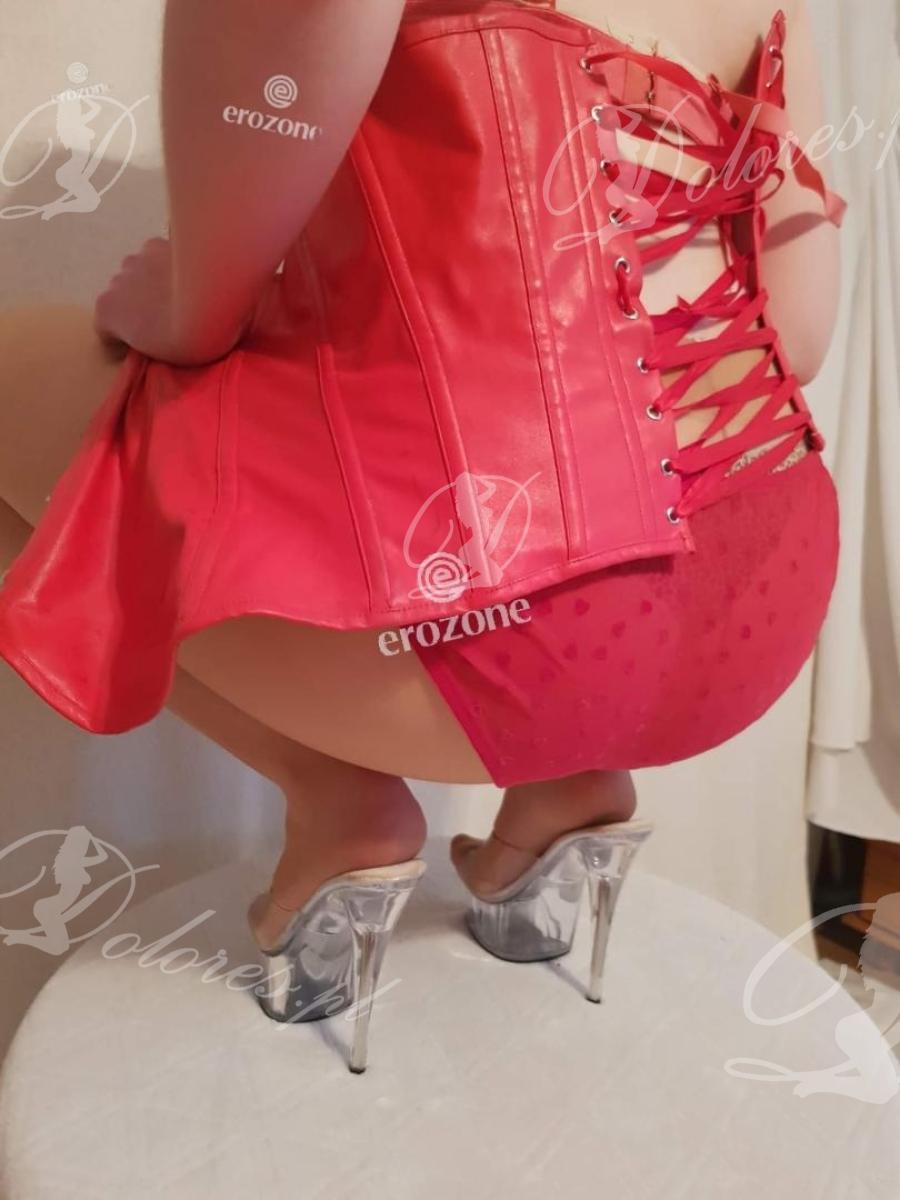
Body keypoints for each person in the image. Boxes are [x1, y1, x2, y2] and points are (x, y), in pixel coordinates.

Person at [0, 0, 845, 1071]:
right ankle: (567, 794)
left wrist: (175, 303)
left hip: (531, 625)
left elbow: (205, 312)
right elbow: (798, 337)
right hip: (767, 592)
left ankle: (336, 796)